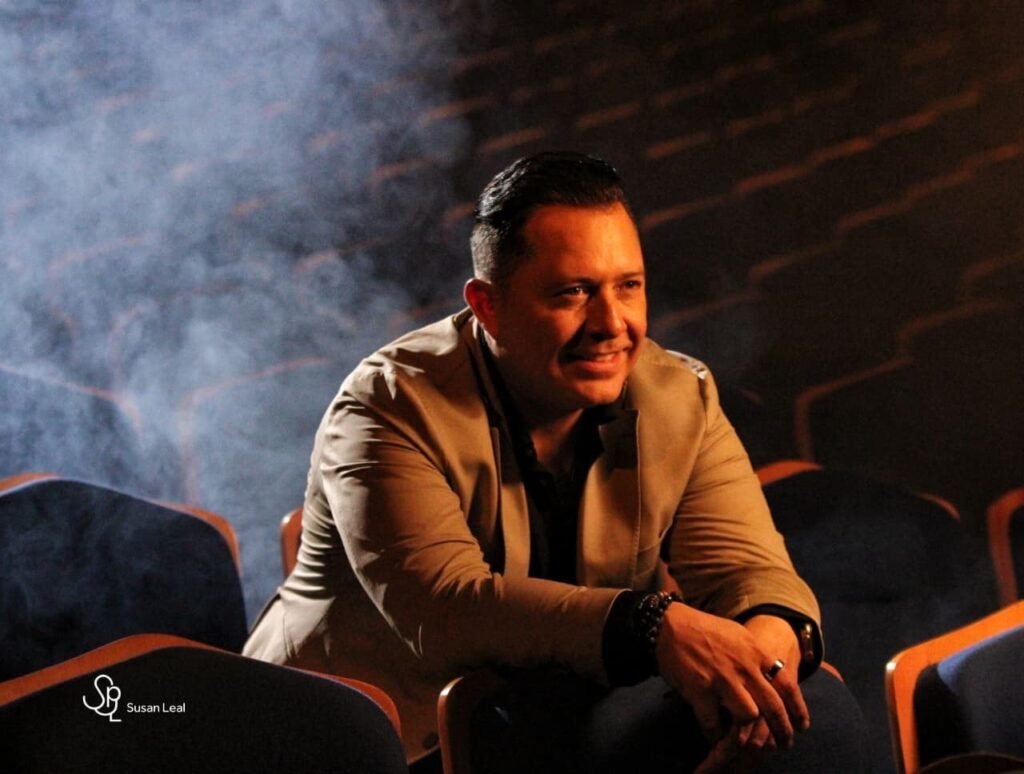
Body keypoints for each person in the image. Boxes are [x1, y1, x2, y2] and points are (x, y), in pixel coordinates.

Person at [244, 151, 871, 772]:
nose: (611, 323)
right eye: (573, 292)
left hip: (549, 709)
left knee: (818, 715)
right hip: (374, 736)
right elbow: (446, 610)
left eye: (628, 286)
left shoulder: (679, 393)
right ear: (487, 306)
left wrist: (766, 662)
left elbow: (749, 569)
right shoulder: (385, 405)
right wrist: (651, 626)